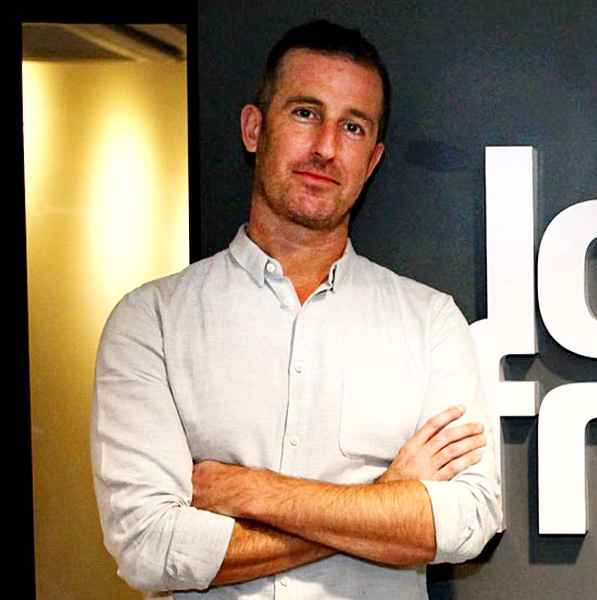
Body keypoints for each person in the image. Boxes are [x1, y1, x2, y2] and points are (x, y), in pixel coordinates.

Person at [91, 19, 501, 600]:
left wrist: (252, 492)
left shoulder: (430, 322)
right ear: (254, 128)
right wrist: (385, 498)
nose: (326, 148)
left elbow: (468, 521)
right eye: (305, 113)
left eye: (352, 127)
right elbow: (149, 546)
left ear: (372, 160)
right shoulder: (151, 321)